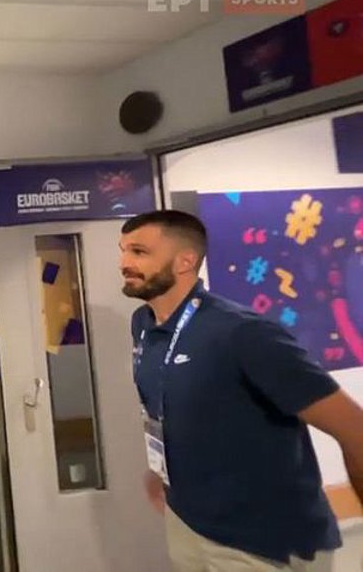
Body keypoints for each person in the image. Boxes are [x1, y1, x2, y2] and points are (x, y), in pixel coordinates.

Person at [120, 209, 363, 572]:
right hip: (188, 522)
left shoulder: (243, 333)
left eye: (139, 252)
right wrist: (164, 469)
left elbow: (354, 427)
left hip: (262, 543)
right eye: (123, 251)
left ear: (185, 261)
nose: (124, 263)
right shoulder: (143, 324)